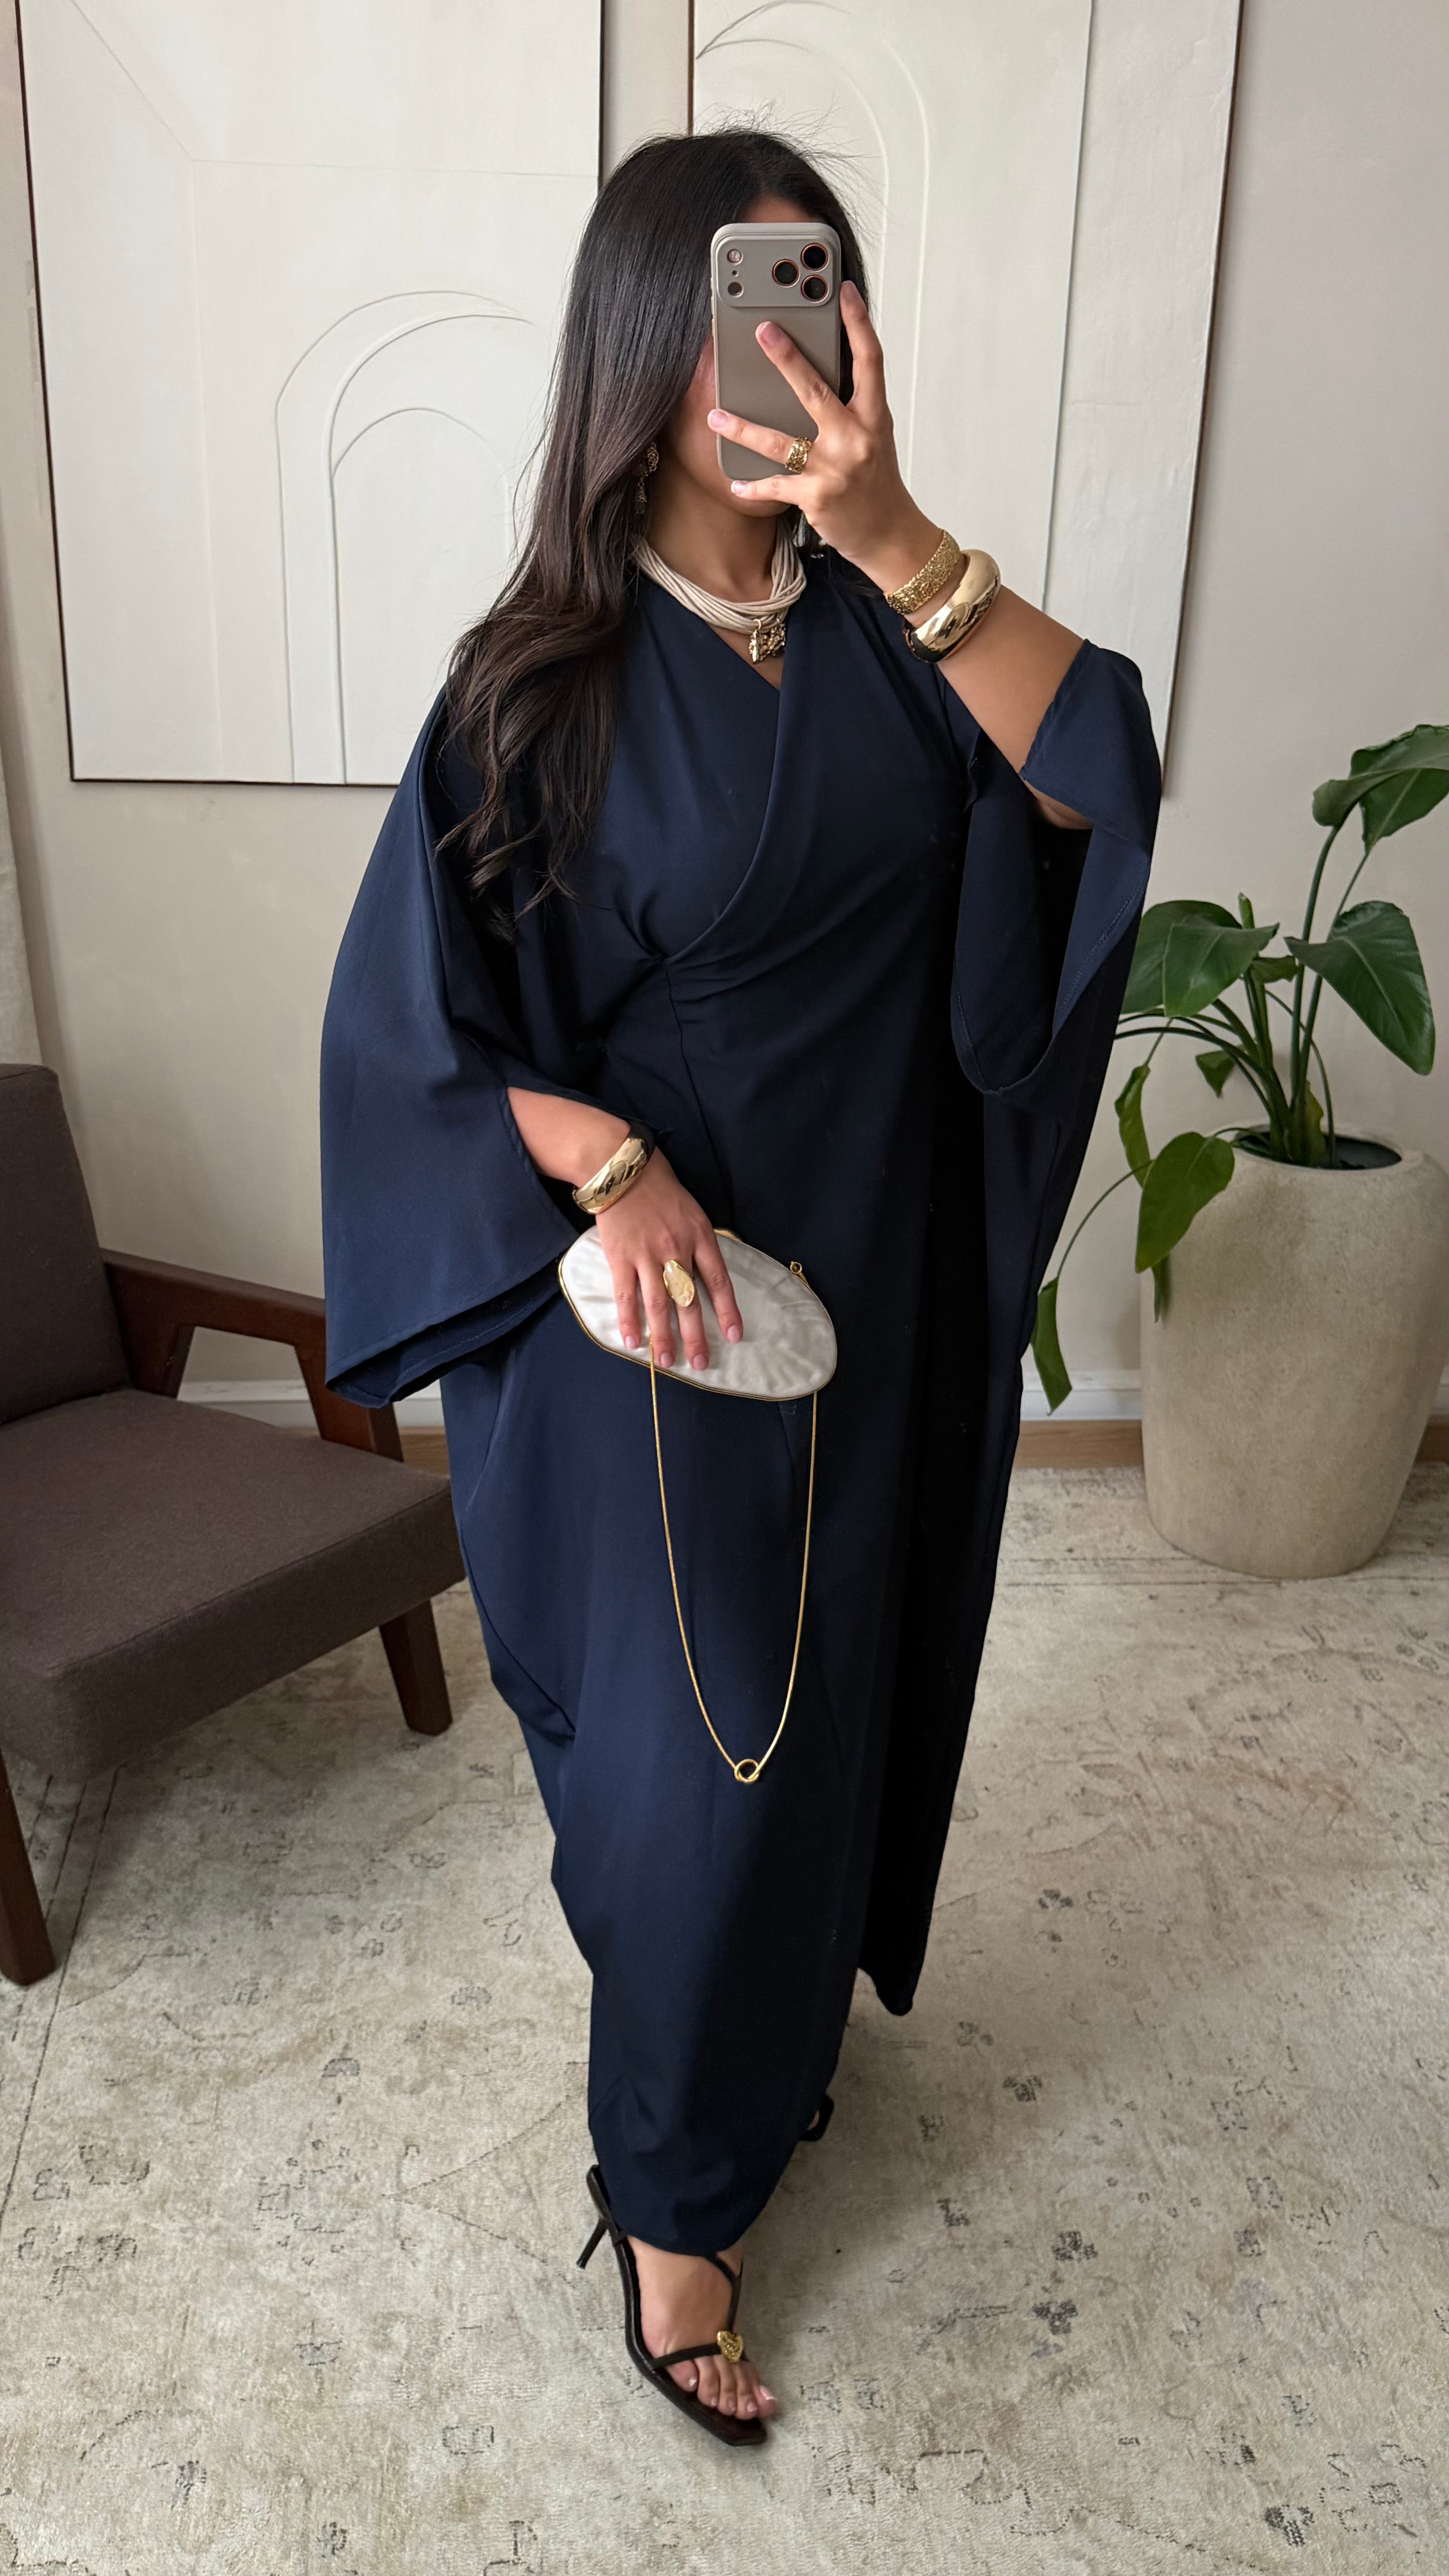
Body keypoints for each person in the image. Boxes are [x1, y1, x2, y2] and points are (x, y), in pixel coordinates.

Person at [320, 129, 1158, 2447]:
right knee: (701, 1781)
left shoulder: (905, 639)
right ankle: (672, 2213)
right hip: (658, 1336)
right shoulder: (538, 683)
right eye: (728, 305)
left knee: (822, 1739)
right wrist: (609, 1164)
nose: (774, 351)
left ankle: (758, 2070)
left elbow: (1094, 781)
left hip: (868, 1289)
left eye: (811, 293)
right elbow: (411, 1040)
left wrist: (894, 537)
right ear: (639, 340)